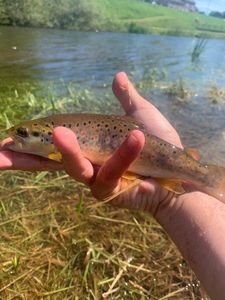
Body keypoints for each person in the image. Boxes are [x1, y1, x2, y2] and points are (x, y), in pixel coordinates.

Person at [0, 72, 224, 300]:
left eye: (23, 134)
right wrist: (166, 200)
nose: (14, 137)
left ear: (48, 136)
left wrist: (167, 199)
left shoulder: (57, 136)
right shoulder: (52, 136)